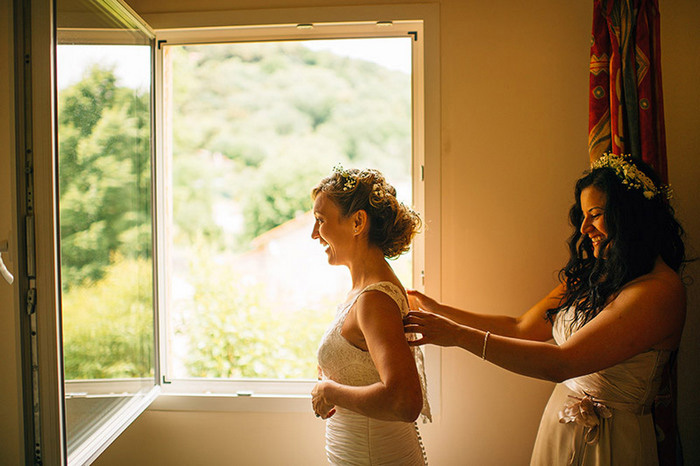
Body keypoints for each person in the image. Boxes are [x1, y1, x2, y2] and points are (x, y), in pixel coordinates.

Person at [404, 154, 687, 465]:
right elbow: (521, 326)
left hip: (613, 441)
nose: (584, 228)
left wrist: (458, 336)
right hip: (560, 425)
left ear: (629, 215)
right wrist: (441, 311)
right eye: (582, 215)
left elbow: (562, 364)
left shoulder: (659, 291)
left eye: (595, 214)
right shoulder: (595, 275)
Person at [311, 165, 431, 465]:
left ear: (357, 222)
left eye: (321, 221)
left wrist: (330, 390)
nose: (315, 234)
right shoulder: (364, 292)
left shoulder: (375, 300)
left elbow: (405, 402)